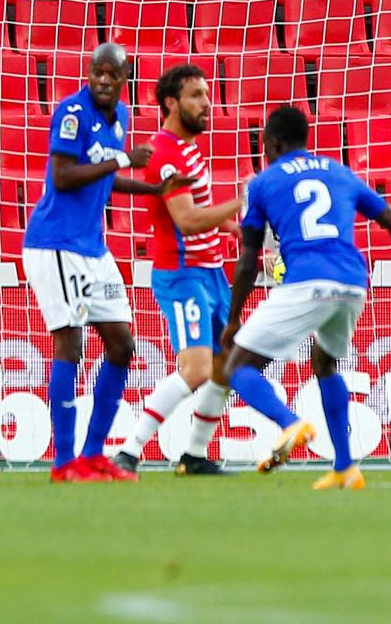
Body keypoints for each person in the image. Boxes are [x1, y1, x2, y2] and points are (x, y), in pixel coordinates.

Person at [221, 106, 391, 490]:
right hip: (353, 282)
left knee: (236, 368)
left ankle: (289, 424)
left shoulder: (262, 184)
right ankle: (345, 467)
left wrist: (234, 320)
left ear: (273, 143)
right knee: (325, 363)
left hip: (306, 281)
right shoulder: (339, 172)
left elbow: (248, 261)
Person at [22, 43, 193, 483]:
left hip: (94, 250)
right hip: (56, 243)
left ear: (123, 79)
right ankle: (64, 463)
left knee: (122, 344)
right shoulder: (72, 113)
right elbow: (62, 176)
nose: (101, 80)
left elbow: (106, 177)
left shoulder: (120, 122)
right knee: (71, 345)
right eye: (95, 72)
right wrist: (123, 158)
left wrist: (152, 190)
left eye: (110, 74)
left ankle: (95, 455)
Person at [111, 64, 242, 477]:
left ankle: (194, 455)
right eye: (196, 96)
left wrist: (229, 225)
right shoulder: (165, 154)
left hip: (212, 272)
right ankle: (128, 452)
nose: (207, 103)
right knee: (198, 369)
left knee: (226, 366)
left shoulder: (189, 148)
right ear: (171, 102)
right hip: (183, 275)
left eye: (207, 94)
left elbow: (195, 212)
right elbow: (185, 221)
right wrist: (240, 201)